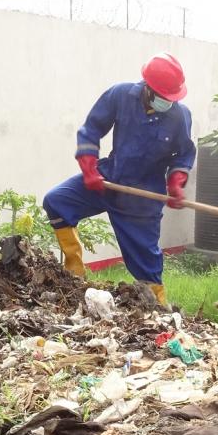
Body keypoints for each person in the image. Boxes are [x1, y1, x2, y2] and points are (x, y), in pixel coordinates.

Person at [42, 53, 195, 306]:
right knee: (57, 201)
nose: (169, 102)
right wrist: (89, 166)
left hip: (141, 200)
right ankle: (74, 278)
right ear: (148, 88)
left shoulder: (180, 116)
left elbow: (185, 153)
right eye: (164, 97)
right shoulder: (120, 95)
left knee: (146, 265)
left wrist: (176, 181)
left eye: (172, 99)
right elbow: (91, 128)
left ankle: (158, 309)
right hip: (108, 179)